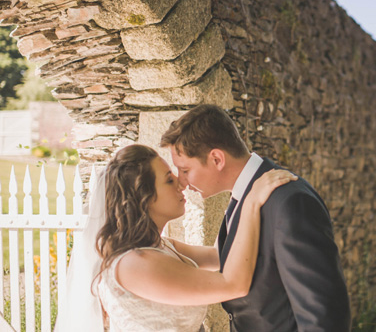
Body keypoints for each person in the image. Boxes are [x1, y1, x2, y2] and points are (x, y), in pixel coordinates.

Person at [54, 144, 296, 332]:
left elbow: (220, 255)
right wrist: (252, 202)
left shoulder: (160, 247)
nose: (181, 184)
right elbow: (233, 284)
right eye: (169, 180)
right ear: (144, 198)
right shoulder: (135, 264)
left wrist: (237, 192)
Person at [161, 104, 352, 332]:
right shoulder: (241, 196)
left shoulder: (289, 202)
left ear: (217, 159)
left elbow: (324, 317)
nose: (182, 181)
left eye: (185, 170)